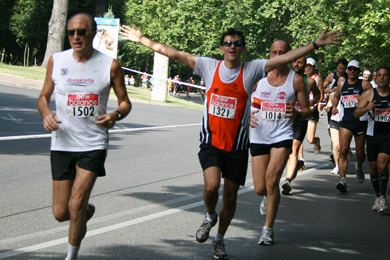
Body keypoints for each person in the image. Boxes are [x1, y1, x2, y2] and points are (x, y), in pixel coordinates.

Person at [119, 24, 341, 260]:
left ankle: (220, 239)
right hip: (212, 141)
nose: (232, 47)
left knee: (232, 197)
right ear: (221, 48)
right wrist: (142, 40)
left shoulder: (253, 69)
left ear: (243, 49)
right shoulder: (208, 66)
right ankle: (209, 216)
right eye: (228, 43)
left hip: (238, 146)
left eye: (237, 44)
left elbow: (286, 58)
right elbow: (174, 53)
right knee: (212, 186)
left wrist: (316, 44)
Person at [37, 13, 132, 260]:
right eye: (71, 32)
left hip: (93, 143)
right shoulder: (57, 61)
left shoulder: (110, 65)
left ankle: (71, 256)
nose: (76, 37)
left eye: (81, 31)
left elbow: (124, 102)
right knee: (61, 212)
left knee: (75, 203)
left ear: (93, 32)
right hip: (62, 142)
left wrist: (115, 115)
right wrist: (46, 113)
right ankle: (84, 213)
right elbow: (43, 97)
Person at [249, 40, 310, 245]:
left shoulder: (296, 80)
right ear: (270, 54)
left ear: (289, 54)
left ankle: (267, 229)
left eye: (282, 52)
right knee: (260, 188)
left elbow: (307, 110)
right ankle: (266, 196)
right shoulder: (258, 75)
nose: (277, 55)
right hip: (258, 135)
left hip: (282, 136)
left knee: (271, 180)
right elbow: (242, 98)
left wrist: (298, 113)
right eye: (273, 52)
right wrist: (245, 115)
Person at [354, 66, 390, 213]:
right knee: (373, 168)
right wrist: (366, 108)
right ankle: (377, 196)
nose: (382, 78)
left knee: (382, 166)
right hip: (372, 135)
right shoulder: (369, 94)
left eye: (385, 76)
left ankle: (383, 196)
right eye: (379, 76)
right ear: (376, 79)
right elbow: (356, 113)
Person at [281, 56, 320, 195]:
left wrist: (312, 102)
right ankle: (295, 166)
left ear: (305, 65)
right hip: (284, 119)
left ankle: (287, 180)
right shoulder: (284, 78)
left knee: (293, 149)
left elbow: (318, 94)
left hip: (300, 118)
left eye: (300, 62)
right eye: (295, 61)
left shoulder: (309, 81)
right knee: (283, 150)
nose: (297, 64)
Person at [331, 60, 372, 192]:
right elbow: (336, 96)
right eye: (350, 69)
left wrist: (365, 100)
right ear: (347, 70)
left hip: (360, 121)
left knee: (360, 153)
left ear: (359, 71)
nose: (352, 71)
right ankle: (342, 180)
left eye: (355, 69)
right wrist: (334, 106)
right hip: (346, 121)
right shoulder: (342, 82)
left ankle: (359, 166)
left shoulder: (364, 84)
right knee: (343, 150)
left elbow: (373, 97)